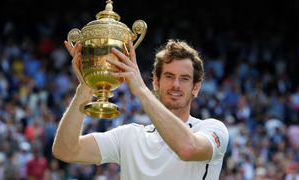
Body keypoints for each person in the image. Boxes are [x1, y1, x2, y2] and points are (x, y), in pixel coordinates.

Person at [52, 39, 229, 180]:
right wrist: (86, 87)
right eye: (169, 76)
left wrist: (140, 89)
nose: (176, 85)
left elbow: (187, 149)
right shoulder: (129, 136)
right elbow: (65, 150)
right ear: (156, 82)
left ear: (196, 87)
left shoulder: (212, 129)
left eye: (184, 79)